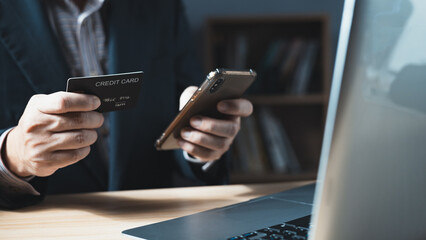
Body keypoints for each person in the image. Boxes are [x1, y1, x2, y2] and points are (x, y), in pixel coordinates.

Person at [0, 0, 253, 209]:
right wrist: (13, 156)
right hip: (44, 223)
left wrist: (200, 142)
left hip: (152, 218)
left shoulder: (162, 6)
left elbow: (183, 110)